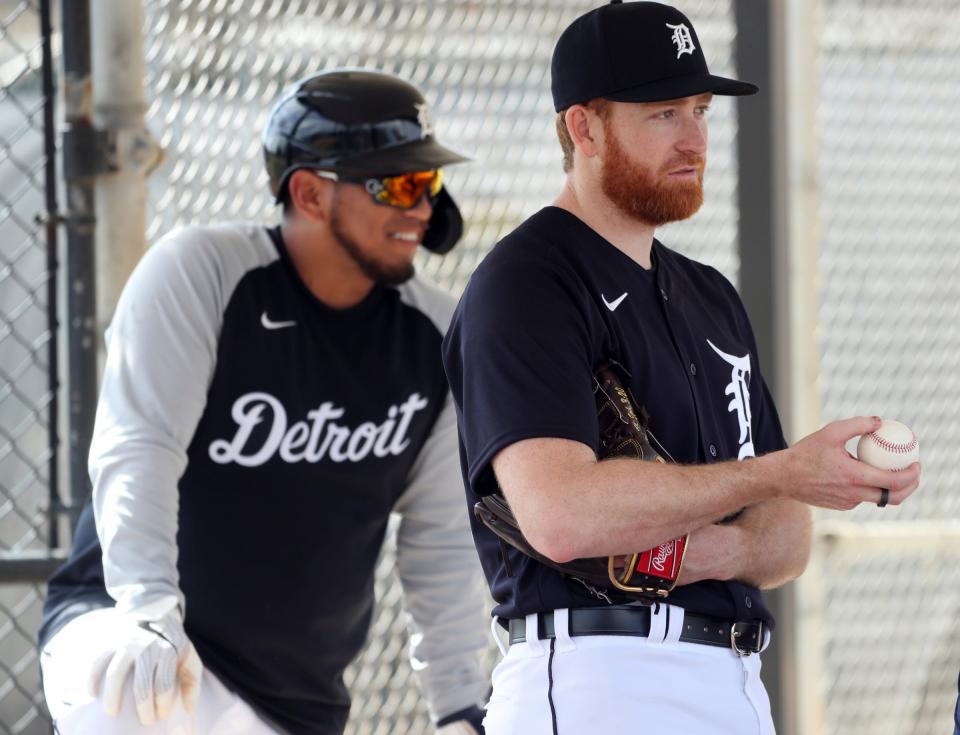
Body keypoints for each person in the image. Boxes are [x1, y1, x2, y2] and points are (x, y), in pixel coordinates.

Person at [441, 2, 922, 733]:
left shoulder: (710, 296)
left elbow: (786, 543)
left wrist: (690, 549)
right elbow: (563, 516)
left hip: (733, 676)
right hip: (600, 675)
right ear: (585, 126)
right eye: (664, 113)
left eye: (699, 109)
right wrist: (774, 477)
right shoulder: (529, 281)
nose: (696, 138)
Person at [38, 69, 489, 735]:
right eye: (398, 183)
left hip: (292, 700)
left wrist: (459, 706)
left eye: (429, 183)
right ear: (308, 191)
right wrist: (148, 609)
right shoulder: (204, 273)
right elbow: (138, 448)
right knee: (133, 692)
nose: (421, 207)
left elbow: (442, 541)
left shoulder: (440, 337)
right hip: (130, 629)